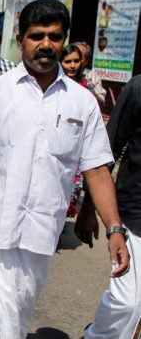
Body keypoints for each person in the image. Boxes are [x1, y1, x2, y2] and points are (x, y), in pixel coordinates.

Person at [0, 0, 129, 338]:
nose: (46, 44)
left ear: (64, 40)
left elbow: (98, 171)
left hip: (43, 234)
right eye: (37, 36)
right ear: (20, 39)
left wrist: (114, 229)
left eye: (55, 36)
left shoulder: (81, 102)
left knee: (14, 318)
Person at [81, 74, 141, 339]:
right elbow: (106, 150)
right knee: (127, 302)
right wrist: (88, 208)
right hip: (135, 214)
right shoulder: (138, 87)